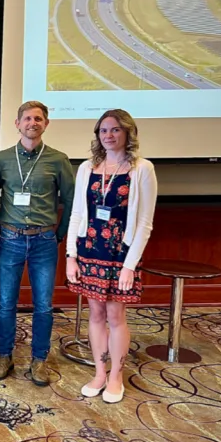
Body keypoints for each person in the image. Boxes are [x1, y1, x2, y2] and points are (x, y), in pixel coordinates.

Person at [66, 109, 157, 404]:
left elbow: (144, 222)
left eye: (115, 130)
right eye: (103, 130)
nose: (109, 135)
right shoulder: (87, 168)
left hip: (121, 254)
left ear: (127, 133)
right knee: (95, 314)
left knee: (116, 316)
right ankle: (100, 372)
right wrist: (71, 255)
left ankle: (116, 375)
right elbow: (77, 213)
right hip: (90, 250)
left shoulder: (142, 168)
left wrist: (130, 266)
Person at [0, 101, 75, 386]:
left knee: (43, 306)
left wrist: (59, 234)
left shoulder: (58, 160)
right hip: (11, 240)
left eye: (38, 119)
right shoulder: (1, 159)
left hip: (44, 242)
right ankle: (4, 355)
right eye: (27, 118)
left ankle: (39, 360)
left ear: (46, 124)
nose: (33, 123)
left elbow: (71, 201)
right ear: (17, 124)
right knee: (5, 304)